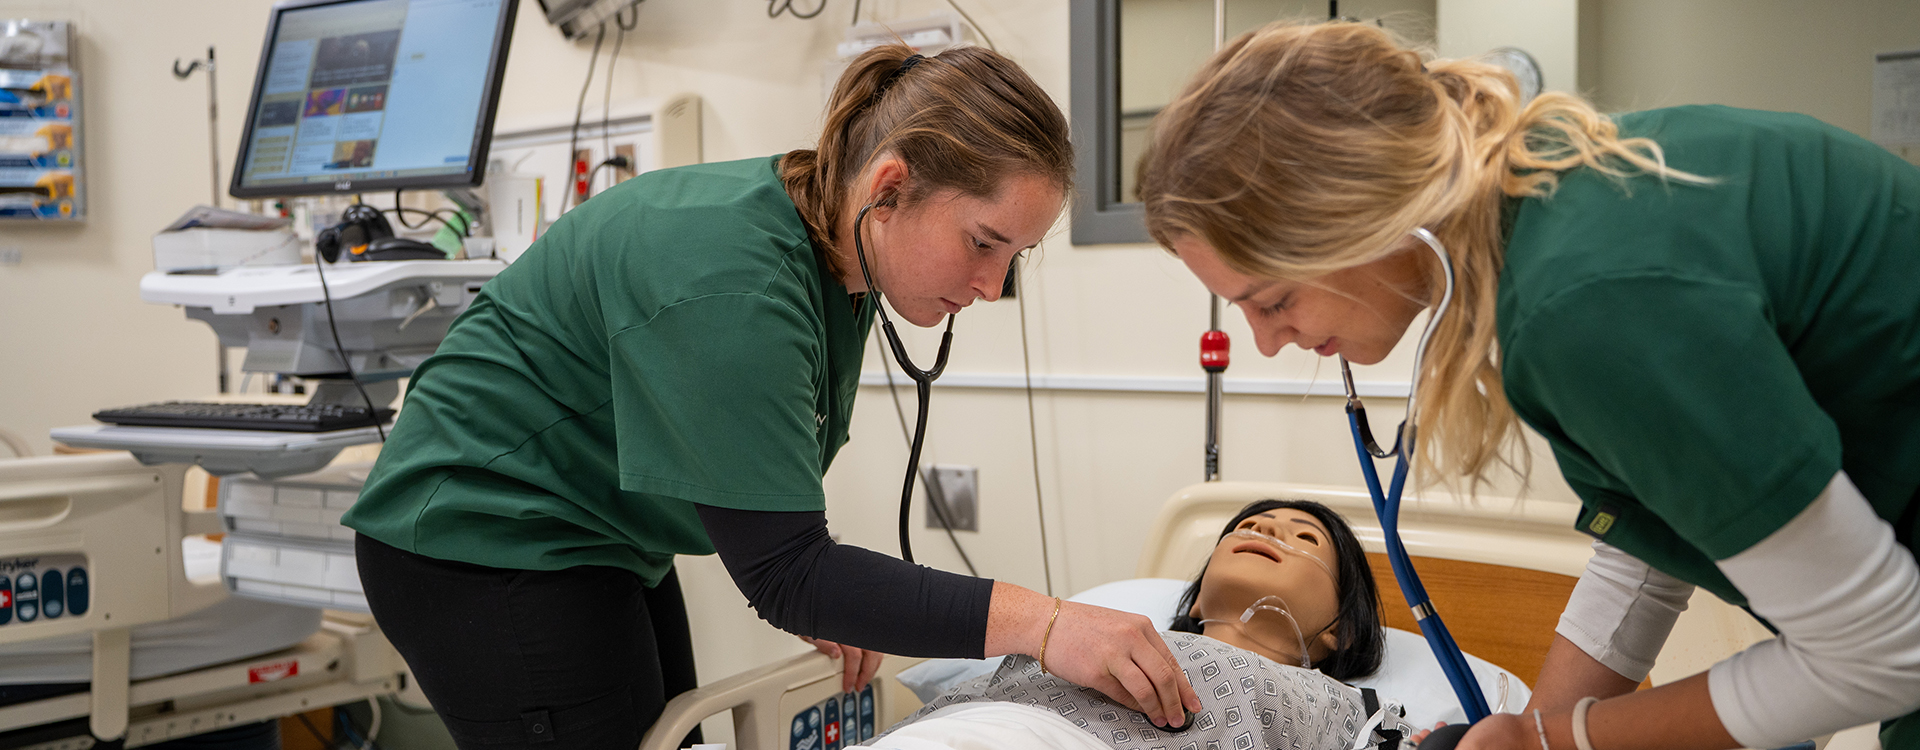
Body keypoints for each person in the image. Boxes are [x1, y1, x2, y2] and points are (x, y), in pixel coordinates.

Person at [339, 44, 1200, 750]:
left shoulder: (835, 250)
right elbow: (788, 570)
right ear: (889, 187)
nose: (988, 285)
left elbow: (777, 531)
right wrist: (1049, 625)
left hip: (595, 535)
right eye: (983, 243)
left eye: (1013, 257)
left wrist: (838, 591)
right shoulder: (735, 281)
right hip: (480, 540)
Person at [1137, 20, 1920, 750]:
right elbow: (1652, 539)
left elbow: (1884, 654)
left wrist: (1557, 738)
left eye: (1272, 302)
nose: (1268, 345)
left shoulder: (1586, 303)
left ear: (1359, 217)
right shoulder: (1572, 205)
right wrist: (1535, 731)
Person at [879, 500, 1406, 750]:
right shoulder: (1082, 634)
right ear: (1197, 600)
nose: (1265, 527)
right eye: (1247, 526)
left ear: (1343, 630)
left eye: (1305, 539)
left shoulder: (1321, 697)